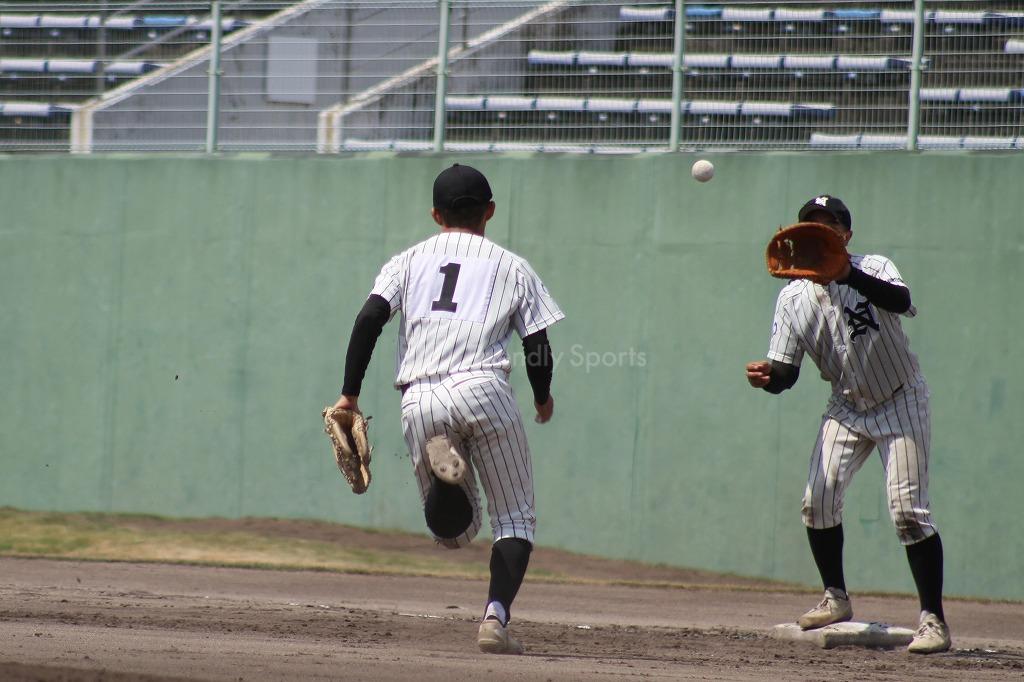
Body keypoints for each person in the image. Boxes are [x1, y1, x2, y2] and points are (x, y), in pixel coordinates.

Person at [329, 163, 563, 655]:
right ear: (490, 211)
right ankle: (495, 619)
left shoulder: (407, 261)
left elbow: (370, 318)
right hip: (484, 389)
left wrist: (350, 394)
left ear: (436, 215)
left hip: (420, 397)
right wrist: (542, 397)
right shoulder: (512, 266)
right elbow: (537, 344)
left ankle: (445, 481)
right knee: (514, 520)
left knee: (454, 534)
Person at [745, 195, 950, 654]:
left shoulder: (873, 266)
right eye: (812, 224)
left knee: (908, 512)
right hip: (847, 407)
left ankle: (934, 621)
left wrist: (847, 274)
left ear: (846, 235)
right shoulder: (792, 296)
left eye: (829, 224)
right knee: (816, 501)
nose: (820, 230)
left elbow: (901, 300)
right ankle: (835, 597)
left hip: (901, 399)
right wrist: (768, 377)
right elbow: (787, 372)